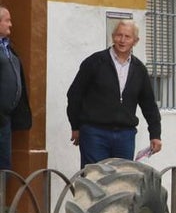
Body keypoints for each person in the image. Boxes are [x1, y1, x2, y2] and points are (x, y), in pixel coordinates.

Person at [66, 20, 161, 167]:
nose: (122, 40)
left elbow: (149, 104)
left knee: (122, 182)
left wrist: (155, 134)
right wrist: (76, 126)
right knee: (95, 181)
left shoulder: (139, 69)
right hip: (94, 133)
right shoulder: (95, 62)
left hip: (125, 136)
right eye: (119, 35)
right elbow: (74, 94)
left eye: (127, 37)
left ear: (135, 41)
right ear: (113, 37)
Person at [0, 6, 32, 171]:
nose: (11, 25)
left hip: (6, 119)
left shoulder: (7, 47)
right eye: (7, 20)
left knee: (4, 166)